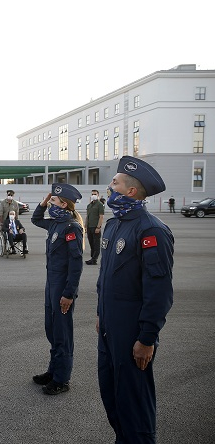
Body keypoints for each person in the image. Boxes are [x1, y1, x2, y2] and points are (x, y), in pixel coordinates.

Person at [96, 156, 174, 442]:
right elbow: (106, 278)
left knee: (134, 404)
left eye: (114, 182)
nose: (109, 186)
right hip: (109, 329)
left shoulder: (151, 230)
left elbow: (159, 291)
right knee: (112, 396)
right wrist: (99, 313)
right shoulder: (114, 225)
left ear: (130, 192)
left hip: (133, 334)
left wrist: (147, 338)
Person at [31, 183, 84, 395]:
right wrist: (43, 203)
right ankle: (53, 371)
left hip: (62, 286)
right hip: (50, 284)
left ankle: (62, 379)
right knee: (51, 329)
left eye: (53, 200)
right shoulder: (55, 224)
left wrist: (69, 293)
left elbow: (76, 263)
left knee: (62, 333)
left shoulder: (72, 227)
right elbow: (36, 219)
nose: (50, 202)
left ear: (64, 204)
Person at [85, 189, 105, 265]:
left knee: (96, 243)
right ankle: (92, 257)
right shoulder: (89, 205)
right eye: (92, 194)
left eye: (95, 194)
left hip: (96, 227)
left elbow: (101, 216)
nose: (93, 195)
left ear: (98, 195)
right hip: (90, 227)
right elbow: (87, 216)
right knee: (91, 243)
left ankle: (94, 259)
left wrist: (98, 227)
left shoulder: (100, 205)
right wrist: (85, 226)